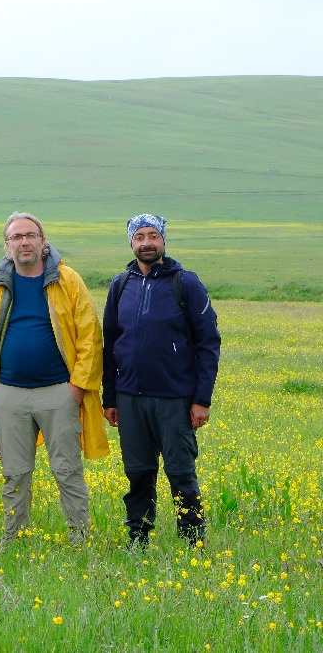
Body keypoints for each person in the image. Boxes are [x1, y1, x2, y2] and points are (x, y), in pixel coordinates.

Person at [0, 213, 107, 547]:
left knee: (67, 470)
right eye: (16, 237)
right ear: (7, 246)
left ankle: (81, 538)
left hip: (59, 392)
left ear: (43, 241)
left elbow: (90, 333)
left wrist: (77, 386)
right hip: (9, 395)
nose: (24, 242)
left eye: (30, 235)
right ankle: (13, 540)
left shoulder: (67, 279)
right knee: (15, 473)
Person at [102, 214, 220, 547]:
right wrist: (110, 398)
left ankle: (192, 540)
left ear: (164, 240)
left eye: (153, 235)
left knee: (181, 471)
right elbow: (109, 343)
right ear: (131, 243)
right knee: (138, 472)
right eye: (139, 237)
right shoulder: (120, 285)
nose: (147, 243)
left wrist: (202, 399)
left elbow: (208, 343)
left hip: (174, 398)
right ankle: (137, 538)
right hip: (129, 398)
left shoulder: (186, 283)